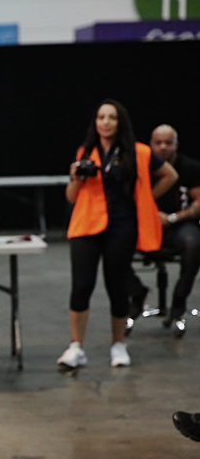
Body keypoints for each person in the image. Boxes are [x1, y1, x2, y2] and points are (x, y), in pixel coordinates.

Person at [57, 99, 177, 369]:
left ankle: (118, 344)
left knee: (117, 285)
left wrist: (146, 199)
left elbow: (169, 175)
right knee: (81, 286)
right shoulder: (86, 152)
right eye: (101, 117)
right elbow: (71, 196)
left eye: (111, 117)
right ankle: (76, 347)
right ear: (95, 122)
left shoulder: (139, 152)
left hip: (121, 226)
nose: (106, 122)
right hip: (86, 225)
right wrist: (76, 176)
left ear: (120, 121)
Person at [127, 124, 200, 327]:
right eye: (158, 143)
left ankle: (178, 302)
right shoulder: (138, 167)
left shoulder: (189, 167)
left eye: (168, 143)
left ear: (176, 144)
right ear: (150, 145)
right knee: (113, 245)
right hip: (145, 224)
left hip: (178, 224)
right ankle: (137, 293)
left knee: (193, 244)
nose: (163, 147)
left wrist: (173, 217)